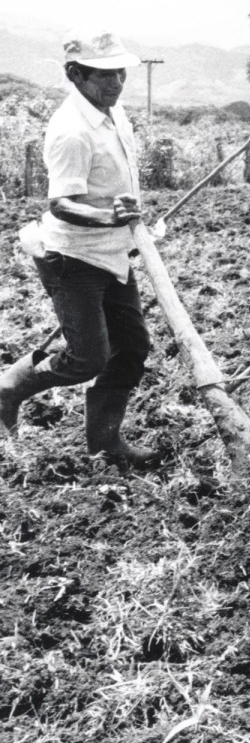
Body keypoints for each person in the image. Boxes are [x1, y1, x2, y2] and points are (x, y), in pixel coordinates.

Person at [0, 33, 158, 466]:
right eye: (104, 75)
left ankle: (106, 444)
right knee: (87, 358)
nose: (116, 83)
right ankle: (7, 389)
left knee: (130, 349)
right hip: (72, 257)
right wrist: (111, 217)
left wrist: (125, 214)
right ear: (75, 74)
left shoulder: (113, 113)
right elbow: (61, 204)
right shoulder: (71, 130)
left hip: (113, 252)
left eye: (120, 73)